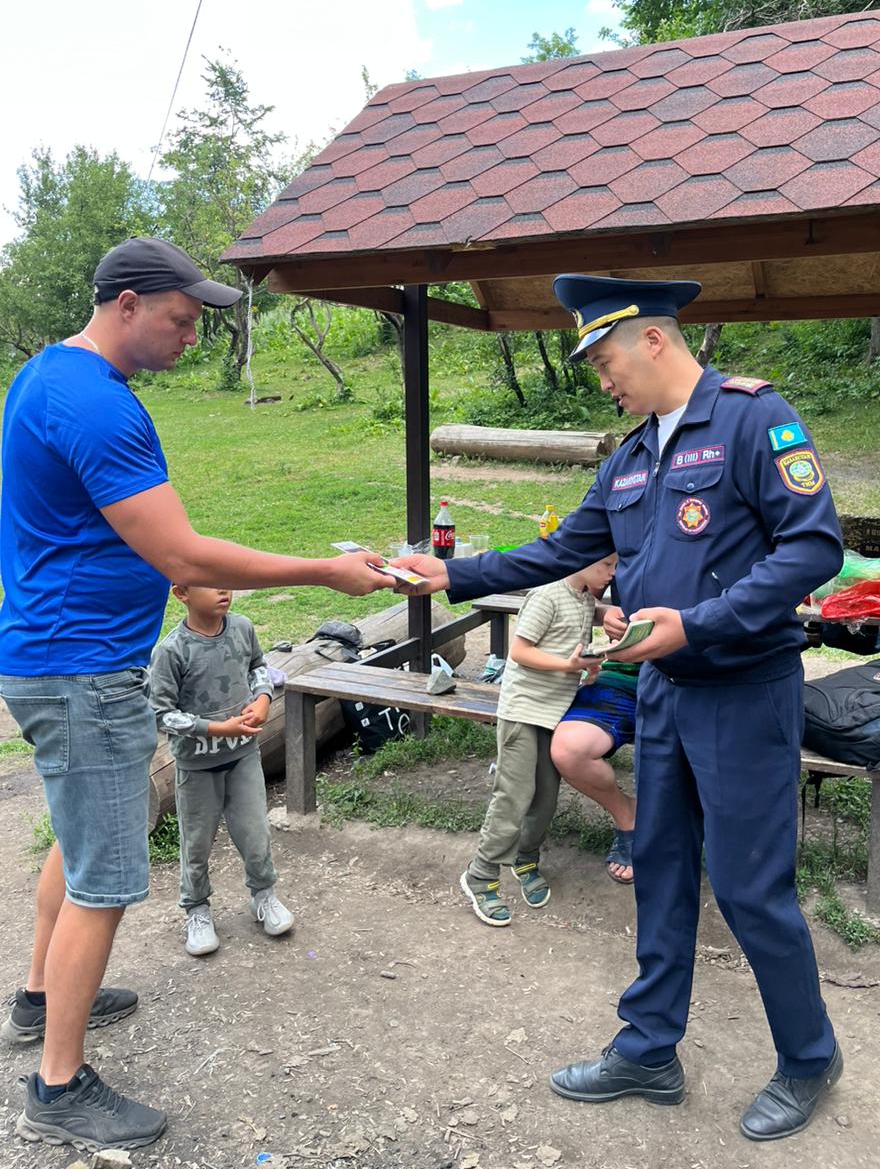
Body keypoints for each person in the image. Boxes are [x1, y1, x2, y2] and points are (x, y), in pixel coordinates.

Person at [394, 274, 845, 1142]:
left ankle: (809, 1056)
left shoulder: (754, 419)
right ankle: (648, 1050)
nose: (602, 377)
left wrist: (699, 624)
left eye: (605, 359)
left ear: (653, 339)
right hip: (665, 696)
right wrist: (450, 572)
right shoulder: (633, 456)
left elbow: (813, 546)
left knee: (753, 892)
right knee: (662, 868)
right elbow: (563, 550)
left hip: (746, 692)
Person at [0, 238, 394, 1154]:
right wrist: (326, 572)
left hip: (52, 653)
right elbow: (178, 554)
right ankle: (57, 1088)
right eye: (182, 319)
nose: (192, 337)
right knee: (105, 875)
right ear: (128, 303)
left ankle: (40, 998)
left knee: (77, 830)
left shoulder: (48, 377)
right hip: (81, 668)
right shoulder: (96, 404)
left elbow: (129, 536)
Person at [460, 554, 617, 927]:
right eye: (608, 565)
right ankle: (480, 875)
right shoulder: (546, 595)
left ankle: (525, 859)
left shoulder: (582, 596)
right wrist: (571, 666)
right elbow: (520, 651)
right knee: (513, 795)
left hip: (555, 711)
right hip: (522, 712)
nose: (613, 573)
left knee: (545, 796)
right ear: (584, 557)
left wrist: (597, 637)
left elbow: (581, 621)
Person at [149, 585, 293, 957]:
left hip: (244, 757)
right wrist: (215, 729)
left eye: (225, 579)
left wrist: (263, 699)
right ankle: (196, 909)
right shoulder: (171, 651)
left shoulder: (243, 628)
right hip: (197, 768)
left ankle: (264, 896)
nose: (222, 588)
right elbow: (160, 713)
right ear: (182, 593)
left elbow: (259, 668)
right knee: (196, 844)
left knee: (255, 834)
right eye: (210, 583)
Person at [551, 601, 640, 884]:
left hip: (699, 678)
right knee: (569, 749)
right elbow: (579, 593)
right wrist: (606, 614)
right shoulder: (620, 557)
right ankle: (628, 817)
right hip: (619, 678)